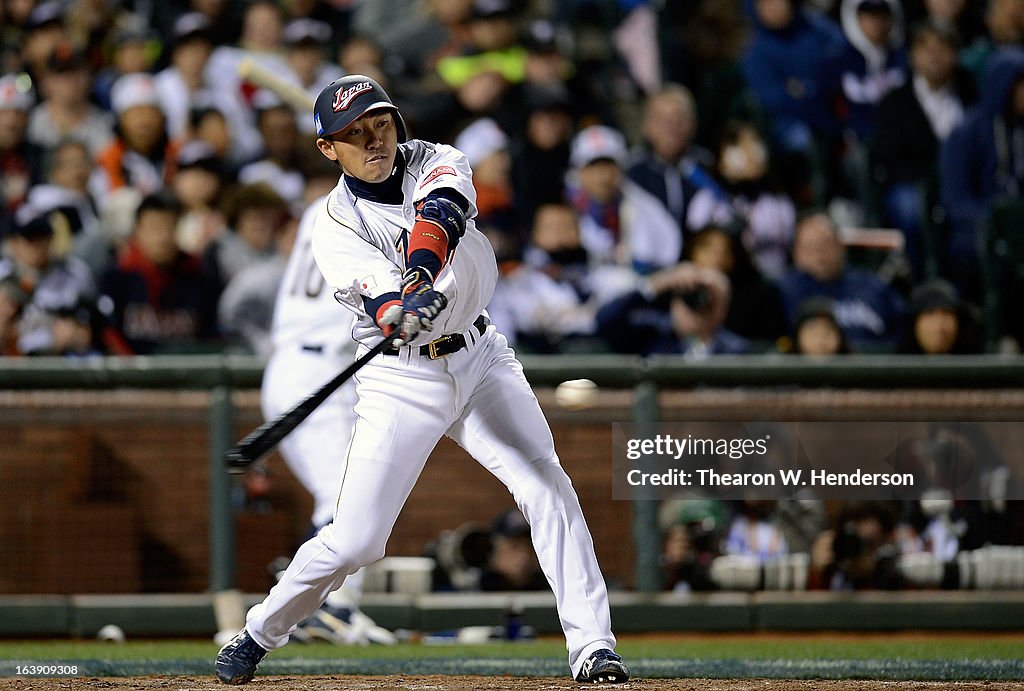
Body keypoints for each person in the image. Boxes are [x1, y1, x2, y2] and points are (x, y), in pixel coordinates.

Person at [215, 75, 628, 685]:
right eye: (353, 135)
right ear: (329, 149)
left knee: (547, 486)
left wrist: (419, 278)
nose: (372, 140)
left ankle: (593, 647)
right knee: (356, 540)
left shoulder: (440, 158)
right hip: (403, 378)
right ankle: (257, 632)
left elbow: (442, 215)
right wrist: (396, 309)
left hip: (483, 358)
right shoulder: (331, 222)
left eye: (378, 123)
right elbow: (377, 299)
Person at [254, 195, 396, 644]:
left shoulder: (325, 204)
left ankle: (318, 606)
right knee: (344, 498)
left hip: (310, 365)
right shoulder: (366, 206)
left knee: (348, 494)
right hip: (314, 365)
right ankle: (324, 608)